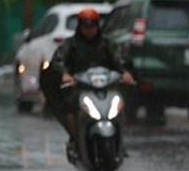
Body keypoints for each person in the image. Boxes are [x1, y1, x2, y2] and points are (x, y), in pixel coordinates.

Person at [48, 8, 134, 159]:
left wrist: (125, 73)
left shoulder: (107, 44)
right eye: (85, 26)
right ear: (80, 27)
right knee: (70, 105)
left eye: (92, 26)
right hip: (80, 88)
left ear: (97, 26)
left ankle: (120, 142)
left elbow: (119, 61)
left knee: (120, 105)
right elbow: (58, 61)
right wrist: (65, 75)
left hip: (106, 87)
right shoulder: (71, 44)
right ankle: (75, 140)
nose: (89, 30)